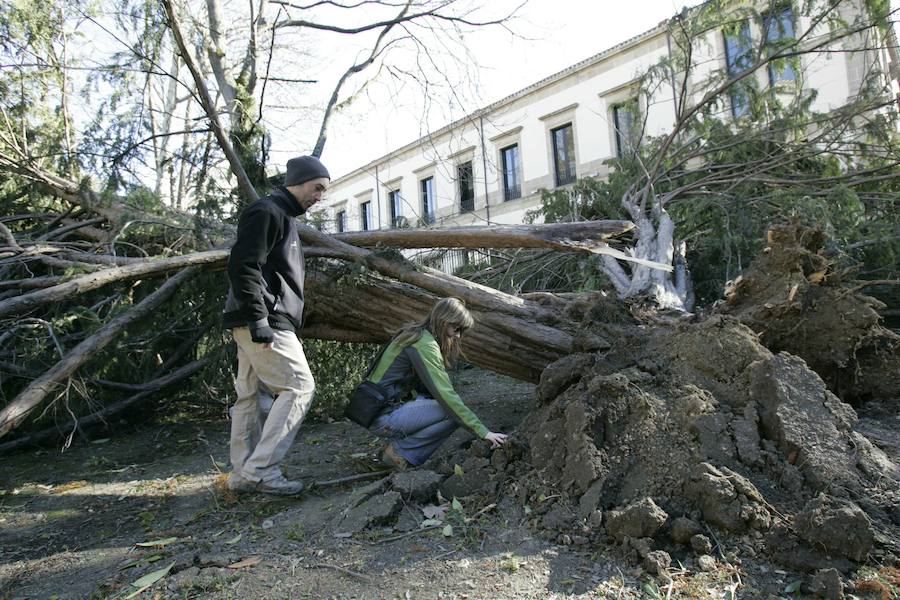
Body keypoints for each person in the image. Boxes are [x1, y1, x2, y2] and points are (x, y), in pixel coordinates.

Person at [222, 155, 330, 495]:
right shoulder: (266, 212)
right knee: (299, 387)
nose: (320, 196)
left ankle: (243, 472)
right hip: (264, 320)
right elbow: (243, 266)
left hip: (257, 319)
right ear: (297, 182)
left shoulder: (283, 217)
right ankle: (262, 470)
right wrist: (260, 321)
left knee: (250, 396)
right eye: (317, 188)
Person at [363, 297, 508, 470]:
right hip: (384, 419)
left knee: (449, 408)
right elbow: (446, 396)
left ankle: (398, 448)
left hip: (378, 413)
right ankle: (399, 454)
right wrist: (483, 432)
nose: (458, 335)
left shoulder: (415, 334)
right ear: (444, 320)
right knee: (452, 412)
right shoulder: (424, 344)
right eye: (456, 328)